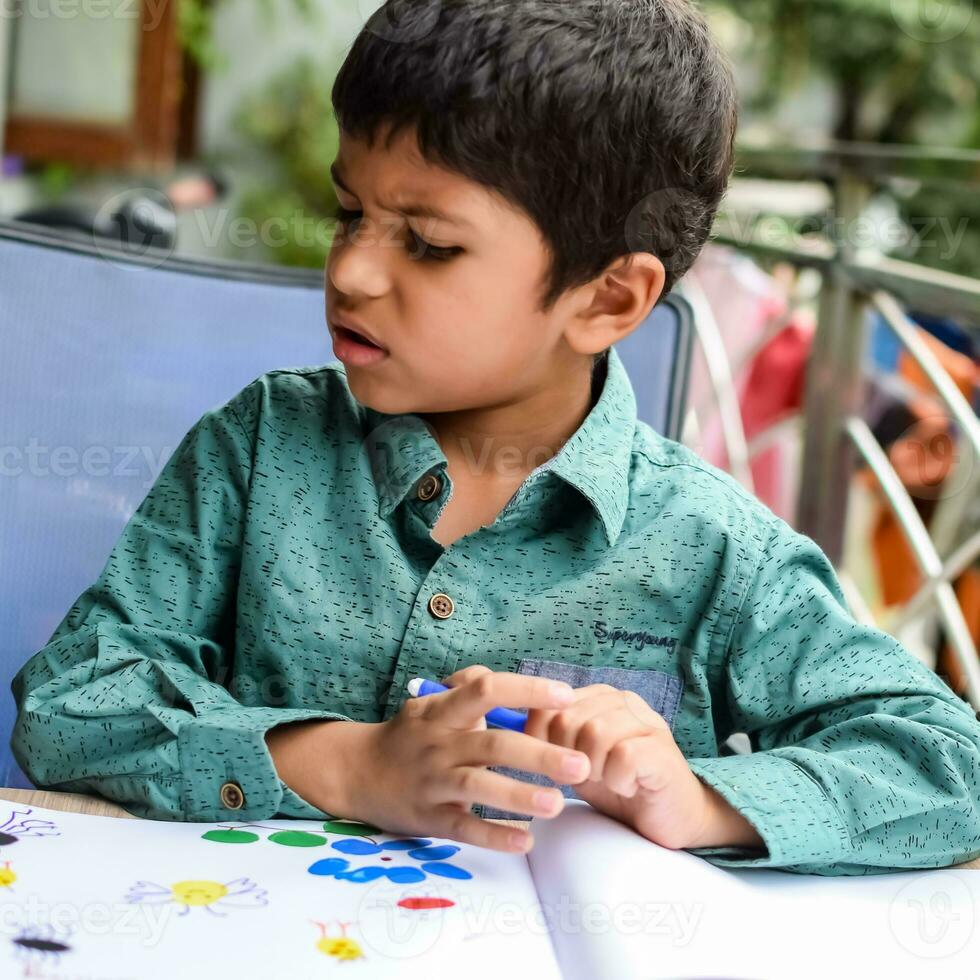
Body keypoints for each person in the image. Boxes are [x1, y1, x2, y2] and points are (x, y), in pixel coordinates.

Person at [11, 0, 980, 876]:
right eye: (351, 209)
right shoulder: (262, 444)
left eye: (428, 242)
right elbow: (72, 701)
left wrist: (697, 796)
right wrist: (352, 762)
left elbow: (944, 761)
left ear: (607, 297)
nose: (350, 269)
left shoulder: (709, 543)